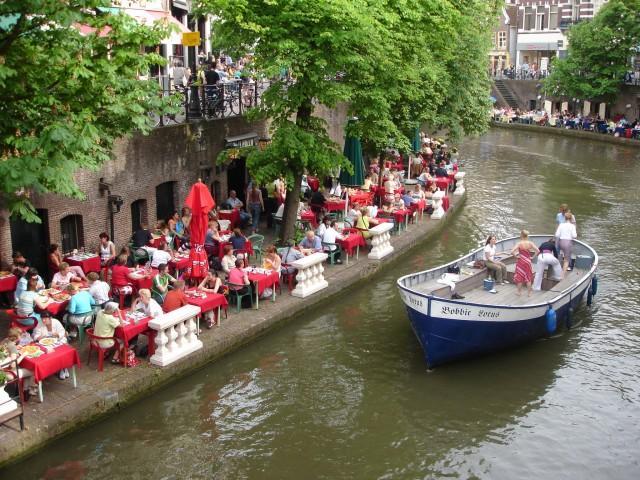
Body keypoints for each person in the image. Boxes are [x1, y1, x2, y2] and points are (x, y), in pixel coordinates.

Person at [2, 328, 37, 398]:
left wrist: (16, 348)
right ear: (17, 337)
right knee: (33, 371)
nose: (21, 337)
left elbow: (8, 350)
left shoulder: (5, 340)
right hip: (9, 372)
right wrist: (24, 355)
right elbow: (13, 364)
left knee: (26, 370)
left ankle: (25, 391)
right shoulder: (13, 347)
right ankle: (28, 391)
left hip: (2, 368)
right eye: (20, 336)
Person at [510, 230, 540, 297]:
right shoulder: (530, 243)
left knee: (520, 277)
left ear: (521, 235)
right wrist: (532, 257)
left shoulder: (519, 243)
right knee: (528, 277)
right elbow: (538, 251)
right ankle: (529, 293)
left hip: (521, 261)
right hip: (528, 261)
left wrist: (516, 256)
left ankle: (519, 292)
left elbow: (512, 251)